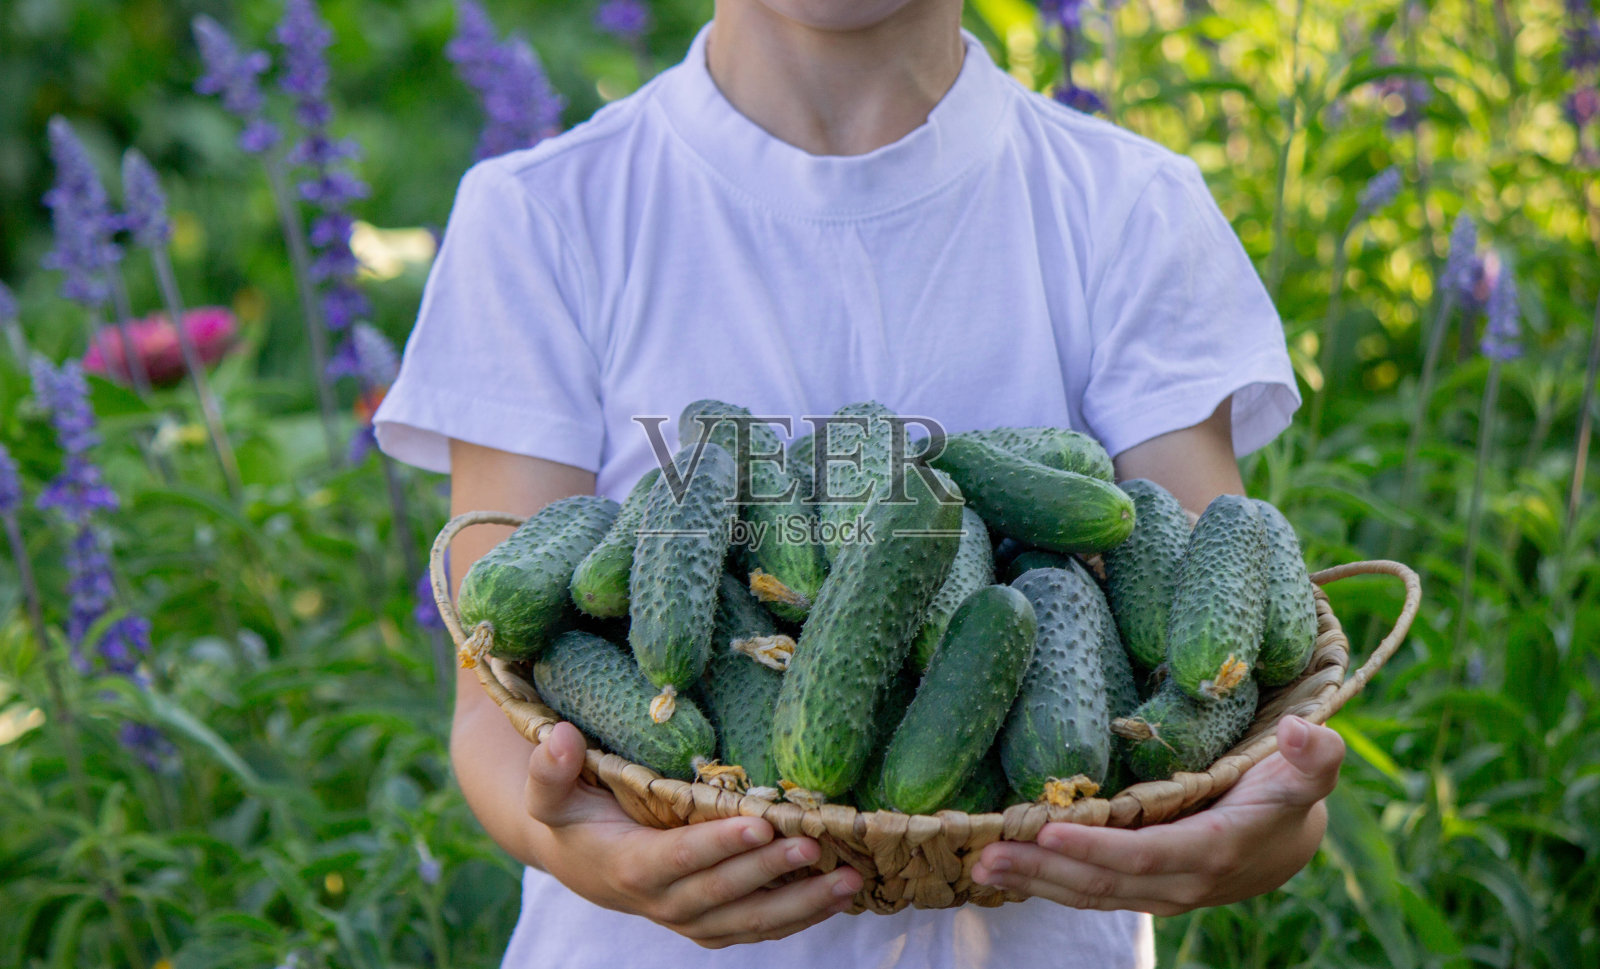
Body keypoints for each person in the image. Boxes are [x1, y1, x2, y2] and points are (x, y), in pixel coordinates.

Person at [373, 1, 1348, 965]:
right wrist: (570, 846)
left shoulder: (1130, 208)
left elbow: (1229, 678)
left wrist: (1269, 835)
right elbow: (494, 693)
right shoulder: (545, 212)